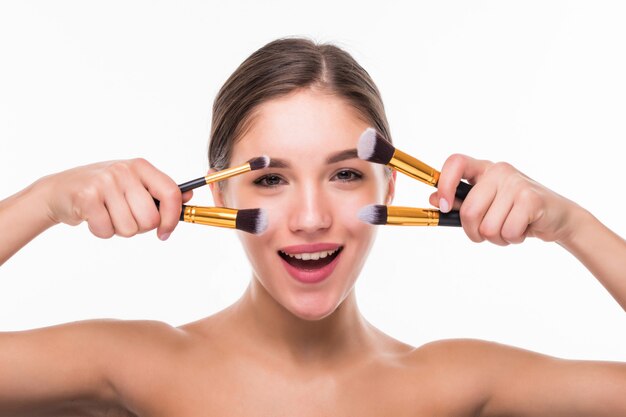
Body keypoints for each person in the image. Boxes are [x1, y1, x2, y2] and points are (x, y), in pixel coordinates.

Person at [1, 37, 625, 416]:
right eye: (270, 179)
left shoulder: (458, 383)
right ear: (218, 192)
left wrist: (574, 225)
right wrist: (42, 201)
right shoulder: (134, 365)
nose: (309, 219)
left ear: (390, 184)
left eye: (346, 175)